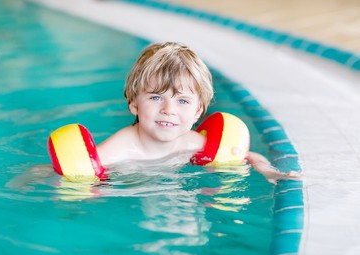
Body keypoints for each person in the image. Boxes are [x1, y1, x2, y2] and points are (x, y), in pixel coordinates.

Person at [96, 42, 300, 182]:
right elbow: (83, 173)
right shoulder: (116, 150)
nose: (169, 110)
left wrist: (267, 170)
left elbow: (247, 155)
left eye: (183, 101)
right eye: (156, 97)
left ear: (197, 112)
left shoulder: (192, 143)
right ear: (134, 104)